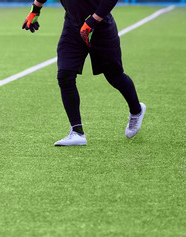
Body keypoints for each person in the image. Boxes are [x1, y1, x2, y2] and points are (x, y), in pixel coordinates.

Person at [22, 0, 146, 146]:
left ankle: (136, 110)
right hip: (73, 27)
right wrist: (35, 9)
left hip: (101, 28)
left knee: (114, 75)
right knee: (65, 75)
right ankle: (77, 132)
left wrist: (93, 21)